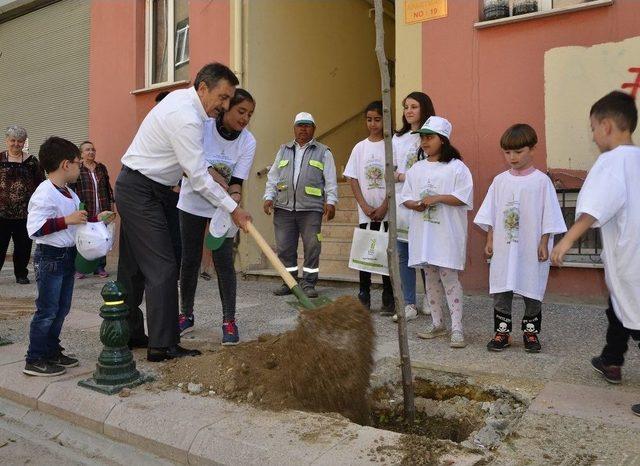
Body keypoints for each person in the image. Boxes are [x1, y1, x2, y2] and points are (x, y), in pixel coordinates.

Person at [115, 62, 252, 362]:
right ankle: (163, 346)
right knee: (163, 267)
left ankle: (128, 333)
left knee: (135, 267)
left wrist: (216, 179)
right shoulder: (186, 117)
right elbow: (198, 176)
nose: (225, 105)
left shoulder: (187, 106)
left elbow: (198, 166)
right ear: (203, 88)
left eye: (230, 99)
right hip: (140, 190)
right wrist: (233, 209)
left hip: (153, 189)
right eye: (223, 97)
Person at [551, 91, 640, 416]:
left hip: (631, 258)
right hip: (633, 258)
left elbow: (591, 210)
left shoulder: (611, 162)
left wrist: (566, 241)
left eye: (592, 128)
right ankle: (612, 360)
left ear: (606, 126)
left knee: (635, 316)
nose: (592, 136)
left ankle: (613, 359)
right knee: (619, 307)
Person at [24, 136, 115, 376]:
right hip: (50, 258)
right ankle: (34, 358)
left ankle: (51, 351)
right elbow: (34, 228)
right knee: (47, 310)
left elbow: (79, 220)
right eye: (77, 162)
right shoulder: (44, 193)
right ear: (66, 164)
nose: (80, 166)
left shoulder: (69, 194)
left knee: (61, 308)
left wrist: (98, 218)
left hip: (66, 257)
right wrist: (67, 220)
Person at [474, 124, 566, 353]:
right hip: (504, 247)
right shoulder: (500, 181)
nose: (512, 157)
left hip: (530, 247)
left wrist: (544, 241)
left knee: (531, 288)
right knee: (501, 289)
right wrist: (489, 239)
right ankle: (502, 332)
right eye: (507, 152)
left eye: (518, 152)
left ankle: (531, 333)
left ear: (532, 149)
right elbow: (491, 213)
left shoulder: (541, 182)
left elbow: (549, 213)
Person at [177, 88, 257, 344]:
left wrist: (234, 200)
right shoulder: (204, 127)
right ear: (227, 108)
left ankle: (229, 320)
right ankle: (185, 315)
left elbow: (236, 181)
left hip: (222, 209)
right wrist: (216, 178)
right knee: (190, 260)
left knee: (224, 263)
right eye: (241, 111)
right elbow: (194, 168)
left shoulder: (248, 141)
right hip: (192, 203)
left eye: (250, 114)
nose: (245, 119)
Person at [400, 116, 473, 348]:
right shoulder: (417, 169)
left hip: (447, 235)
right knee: (430, 278)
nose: (424, 142)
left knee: (449, 279)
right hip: (425, 235)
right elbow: (406, 198)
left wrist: (437, 198)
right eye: (422, 137)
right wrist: (417, 204)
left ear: (443, 140)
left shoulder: (457, 168)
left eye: (429, 137)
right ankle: (437, 322)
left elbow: (464, 197)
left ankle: (457, 328)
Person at [263, 112, 338, 298]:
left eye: (307, 125)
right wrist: (268, 197)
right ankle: (289, 282)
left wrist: (331, 201)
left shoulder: (324, 152)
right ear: (294, 128)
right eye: (299, 125)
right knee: (284, 248)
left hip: (311, 209)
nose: (303, 129)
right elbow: (273, 177)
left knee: (312, 246)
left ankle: (309, 283)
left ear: (314, 129)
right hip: (283, 208)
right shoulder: (284, 149)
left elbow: (330, 179)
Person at [343, 101, 393, 311]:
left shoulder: (391, 146)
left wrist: (384, 206)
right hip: (366, 213)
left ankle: (388, 294)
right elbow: (352, 178)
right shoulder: (359, 148)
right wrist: (364, 205)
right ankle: (364, 292)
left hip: (386, 212)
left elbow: (394, 178)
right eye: (369, 120)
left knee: (386, 254)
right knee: (366, 253)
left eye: (378, 120)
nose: (373, 124)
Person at [392, 92, 436, 319]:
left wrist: (403, 176)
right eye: (405, 107)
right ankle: (409, 303)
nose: (408, 111)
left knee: (426, 253)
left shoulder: (431, 136)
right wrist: (402, 177)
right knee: (404, 254)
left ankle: (431, 298)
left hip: (425, 202)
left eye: (414, 106)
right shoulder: (397, 139)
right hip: (402, 203)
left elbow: (433, 169)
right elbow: (391, 169)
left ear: (424, 109)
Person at [0, 125, 45, 284]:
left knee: (23, 246)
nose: (16, 144)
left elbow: (41, 185)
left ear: (24, 142)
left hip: (25, 213)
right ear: (7, 141)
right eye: (13, 140)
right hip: (1, 213)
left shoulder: (32, 162)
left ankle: (21, 274)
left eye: (20, 141)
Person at [70, 141, 114, 279]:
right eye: (87, 150)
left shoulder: (101, 168)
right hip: (86, 209)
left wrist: (111, 207)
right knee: (85, 239)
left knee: (102, 238)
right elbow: (72, 190)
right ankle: (81, 268)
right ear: (81, 153)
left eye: (93, 150)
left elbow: (108, 188)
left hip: (102, 209)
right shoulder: (78, 168)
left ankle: (100, 267)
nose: (91, 152)